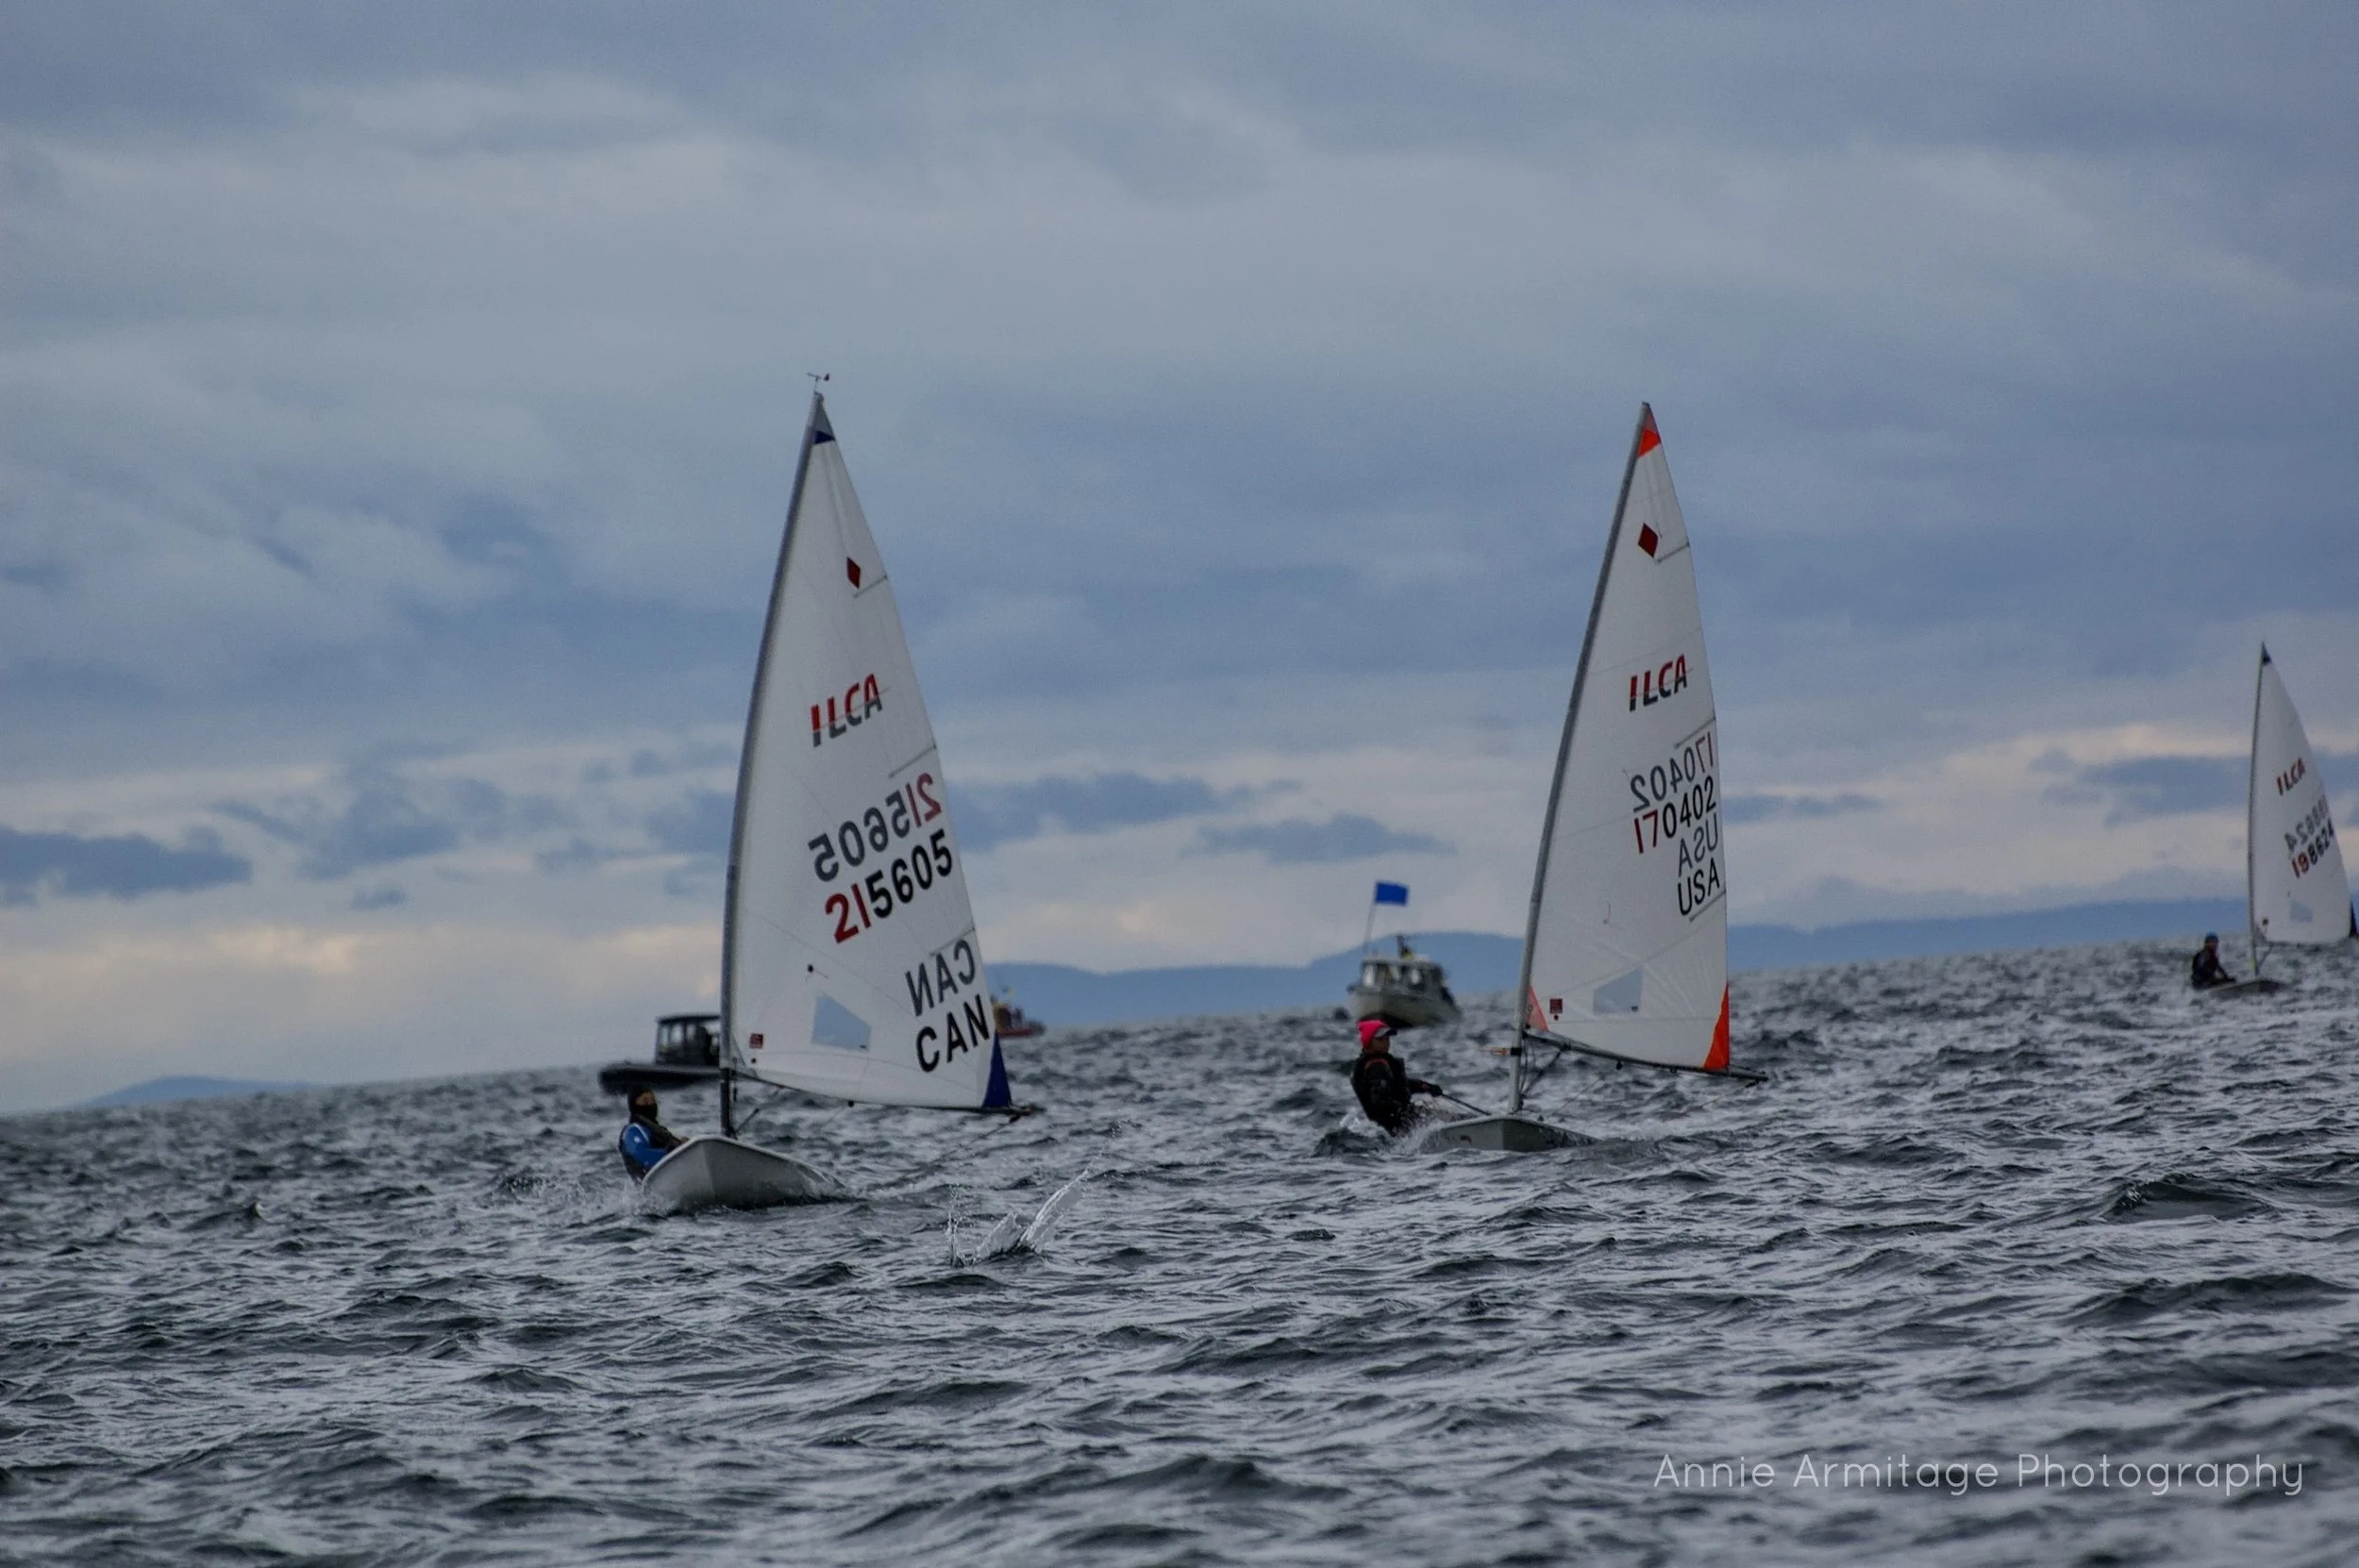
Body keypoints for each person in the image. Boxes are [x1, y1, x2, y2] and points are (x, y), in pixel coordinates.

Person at [1351, 1019, 1445, 1134]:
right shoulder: (1376, 1067)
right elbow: (1380, 1101)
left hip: (1398, 1120)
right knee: (1435, 1117)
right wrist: (1404, 1109)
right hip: (1394, 1125)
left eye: (1387, 1038)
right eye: (1380, 1039)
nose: (1386, 1042)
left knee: (1434, 1114)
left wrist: (1426, 1087)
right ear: (1368, 1042)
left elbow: (1400, 1085)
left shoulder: (1382, 1062)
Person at [618, 1087, 686, 1178]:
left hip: (673, 1173)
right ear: (634, 1105)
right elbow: (642, 1154)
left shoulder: (659, 1131)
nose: (651, 1104)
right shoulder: (632, 1130)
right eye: (645, 1101)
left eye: (653, 1100)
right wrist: (671, 1152)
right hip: (650, 1181)